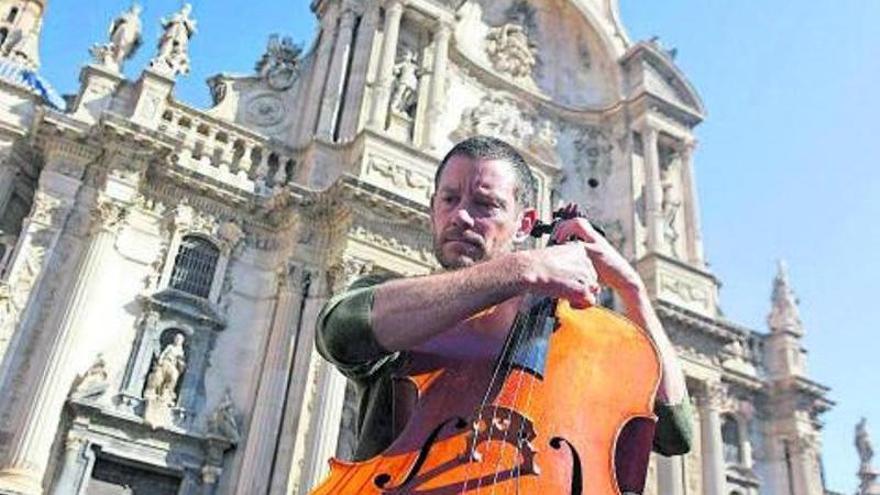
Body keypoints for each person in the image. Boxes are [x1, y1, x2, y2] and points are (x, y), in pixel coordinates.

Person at [316, 135, 693, 467]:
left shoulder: (575, 334)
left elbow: (673, 431)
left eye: (485, 204)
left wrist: (632, 289)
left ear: (525, 224)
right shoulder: (394, 299)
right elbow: (339, 332)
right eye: (449, 199)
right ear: (433, 208)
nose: (461, 215)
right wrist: (523, 267)